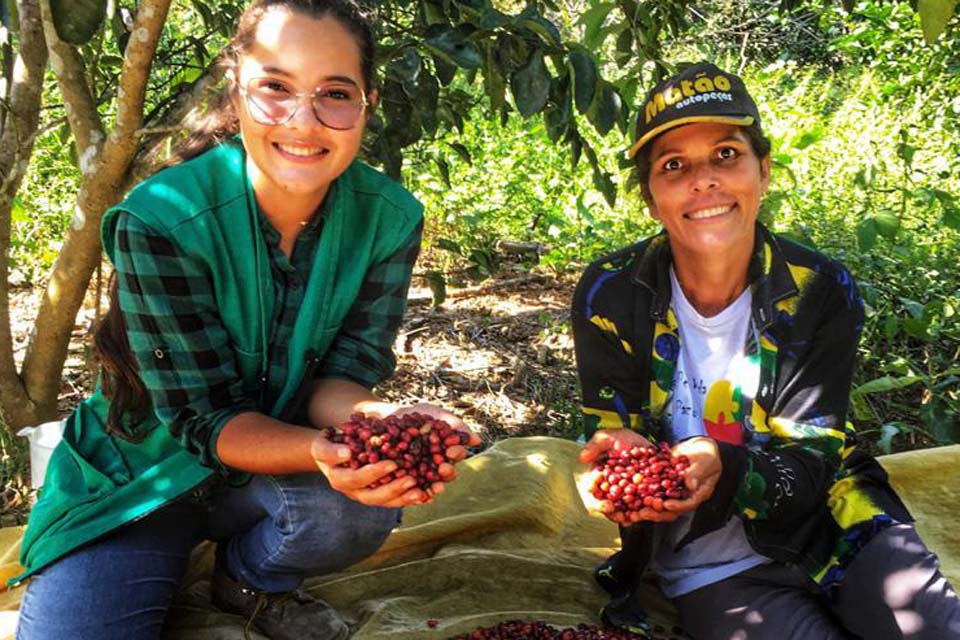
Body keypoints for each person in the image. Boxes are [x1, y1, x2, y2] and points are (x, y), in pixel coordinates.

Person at [13, 1, 479, 639]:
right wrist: (323, 450)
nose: (304, 119)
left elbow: (340, 376)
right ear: (237, 90)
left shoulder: (388, 217)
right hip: (142, 481)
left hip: (271, 469)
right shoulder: (164, 217)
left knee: (362, 509)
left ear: (367, 102)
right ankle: (145, 555)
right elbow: (202, 418)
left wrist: (379, 425)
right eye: (276, 89)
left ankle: (249, 578)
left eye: (334, 94)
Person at [573, 62, 960, 640]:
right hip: (711, 564)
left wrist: (724, 466)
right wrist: (613, 460)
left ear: (764, 171)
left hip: (834, 523)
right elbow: (612, 434)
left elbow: (813, 456)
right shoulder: (610, 292)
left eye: (726, 154)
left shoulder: (818, 288)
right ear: (651, 197)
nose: (703, 179)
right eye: (673, 165)